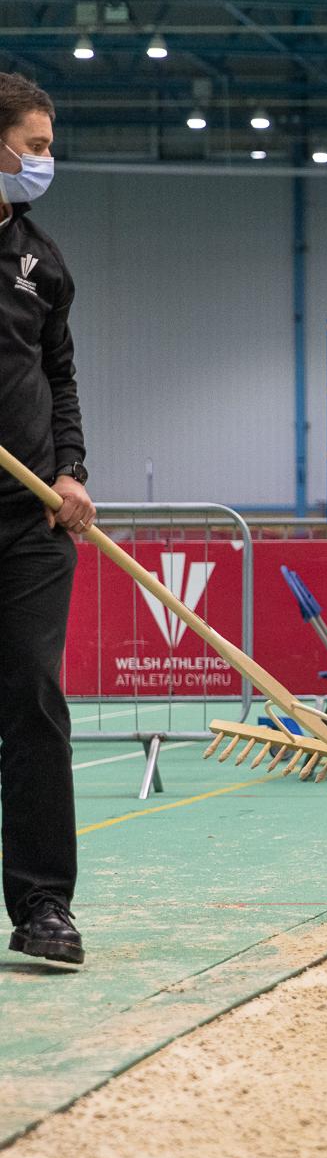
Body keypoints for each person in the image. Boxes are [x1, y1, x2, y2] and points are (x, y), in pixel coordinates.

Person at [0, 74, 90, 967]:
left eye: (47, 147)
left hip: (29, 524)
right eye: (33, 145)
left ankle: (43, 905)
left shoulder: (42, 262)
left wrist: (70, 472)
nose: (44, 161)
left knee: (33, 698)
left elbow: (59, 378)